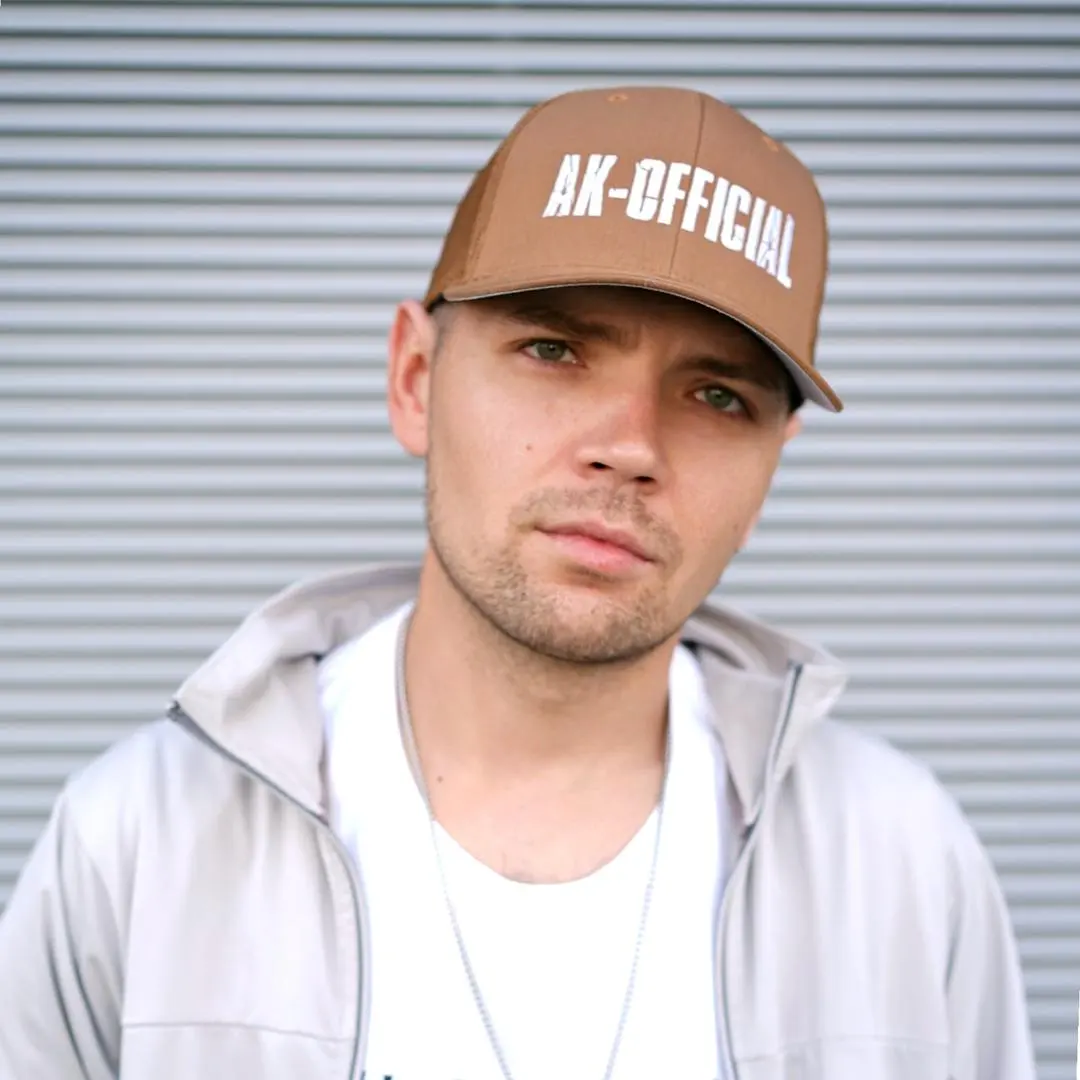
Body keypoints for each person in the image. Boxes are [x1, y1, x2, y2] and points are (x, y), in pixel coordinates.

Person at [0, 86, 1034, 1080]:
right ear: (416, 380)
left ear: (771, 469)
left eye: (718, 396)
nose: (631, 446)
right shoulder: (142, 843)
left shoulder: (901, 867)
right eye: (553, 349)